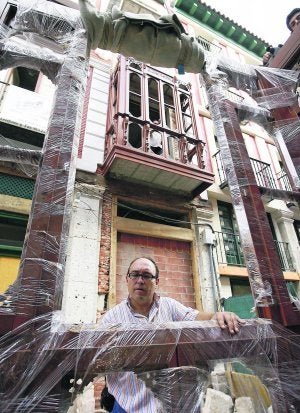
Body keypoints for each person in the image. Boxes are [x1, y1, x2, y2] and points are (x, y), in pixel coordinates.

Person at [100, 256, 245, 413]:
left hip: (173, 407)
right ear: (127, 279)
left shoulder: (169, 306)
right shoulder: (111, 319)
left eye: (147, 275)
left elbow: (196, 317)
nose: (140, 280)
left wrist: (217, 315)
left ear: (157, 281)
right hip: (127, 405)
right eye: (135, 274)